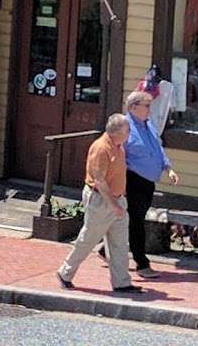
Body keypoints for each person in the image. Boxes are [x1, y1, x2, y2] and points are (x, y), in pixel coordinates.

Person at [57, 114, 141, 293]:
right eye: (127, 130)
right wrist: (113, 205)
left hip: (118, 200)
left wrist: (119, 203)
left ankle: (121, 282)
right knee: (88, 239)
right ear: (117, 132)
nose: (129, 133)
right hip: (101, 200)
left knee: (120, 243)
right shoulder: (101, 148)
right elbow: (100, 181)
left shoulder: (118, 146)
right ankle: (65, 272)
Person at [124, 90, 179, 278]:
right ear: (133, 108)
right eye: (146, 106)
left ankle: (105, 250)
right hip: (132, 180)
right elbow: (117, 156)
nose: (150, 109)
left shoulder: (149, 125)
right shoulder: (124, 127)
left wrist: (168, 168)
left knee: (132, 220)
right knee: (137, 221)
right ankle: (142, 264)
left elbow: (157, 148)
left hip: (148, 181)